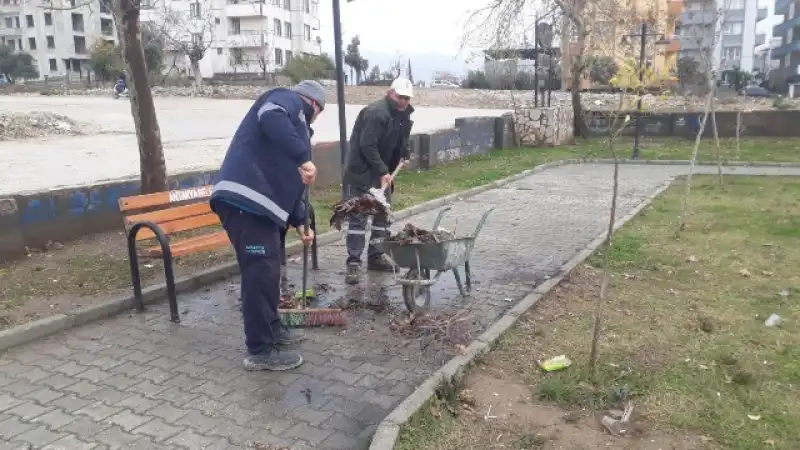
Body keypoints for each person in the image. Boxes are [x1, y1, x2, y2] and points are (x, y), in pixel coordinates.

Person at [209, 80, 325, 371]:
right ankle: (259, 351)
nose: (314, 119)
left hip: (264, 209)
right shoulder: (285, 100)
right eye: (318, 112)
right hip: (246, 202)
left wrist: (300, 221)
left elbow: (292, 182)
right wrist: (303, 157)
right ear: (312, 103)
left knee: (269, 270)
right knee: (260, 273)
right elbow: (270, 115)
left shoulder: (295, 132)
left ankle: (272, 328)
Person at [342, 77, 415, 285]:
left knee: (382, 216)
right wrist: (383, 169)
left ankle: (375, 256)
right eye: (400, 97)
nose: (403, 101)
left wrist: (405, 154)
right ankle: (353, 263)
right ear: (390, 93)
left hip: (383, 173)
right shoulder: (376, 113)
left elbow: (401, 139)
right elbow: (367, 146)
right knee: (358, 218)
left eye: (407, 98)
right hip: (361, 172)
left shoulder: (402, 114)